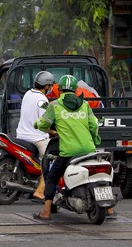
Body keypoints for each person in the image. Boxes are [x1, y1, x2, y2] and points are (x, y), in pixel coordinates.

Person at [34, 74, 103, 221]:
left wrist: (39, 126)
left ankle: (46, 212)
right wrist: (94, 138)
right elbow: (94, 124)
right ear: (76, 90)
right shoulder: (84, 105)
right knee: (97, 176)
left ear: (59, 90)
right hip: (89, 149)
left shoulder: (55, 106)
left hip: (69, 152)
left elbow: (42, 124)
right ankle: (108, 210)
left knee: (51, 177)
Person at [16, 70, 56, 200]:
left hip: (21, 135)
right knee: (50, 162)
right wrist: (54, 131)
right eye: (50, 86)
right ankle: (40, 190)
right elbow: (44, 124)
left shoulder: (28, 94)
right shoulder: (42, 100)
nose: (51, 88)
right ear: (46, 86)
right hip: (37, 138)